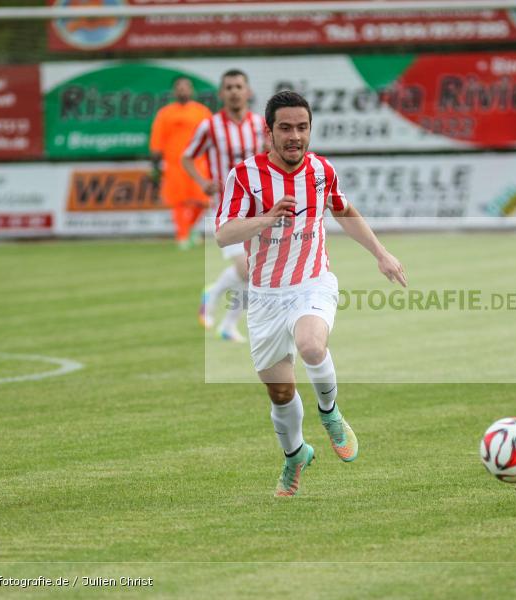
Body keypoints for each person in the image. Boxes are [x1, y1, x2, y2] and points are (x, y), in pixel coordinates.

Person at [215, 90, 407, 497]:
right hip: (266, 296)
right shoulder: (245, 176)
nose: (295, 136)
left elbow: (344, 211)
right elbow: (223, 234)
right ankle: (295, 455)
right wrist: (266, 219)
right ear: (269, 132)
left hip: (312, 282)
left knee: (311, 345)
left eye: (302, 127)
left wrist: (381, 253)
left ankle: (331, 414)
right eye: (285, 128)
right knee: (281, 395)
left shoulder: (321, 170)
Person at [183, 69, 266, 342]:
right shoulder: (210, 126)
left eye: (238, 86)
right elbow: (187, 157)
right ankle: (214, 294)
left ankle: (229, 325)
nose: (234, 91)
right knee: (245, 269)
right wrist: (202, 181)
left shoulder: (259, 123)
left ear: (248, 91)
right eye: (228, 87)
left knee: (253, 272)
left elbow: (270, 156)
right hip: (226, 207)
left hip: (256, 207)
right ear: (221, 93)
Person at [149, 76, 212, 250]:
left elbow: (212, 138)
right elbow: (157, 140)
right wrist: (155, 162)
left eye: (186, 87)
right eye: (180, 87)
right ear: (174, 91)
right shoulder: (165, 113)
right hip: (175, 164)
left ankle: (190, 228)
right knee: (179, 201)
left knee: (203, 200)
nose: (183, 90)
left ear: (191, 90)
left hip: (197, 163)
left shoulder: (202, 112)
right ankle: (182, 236)